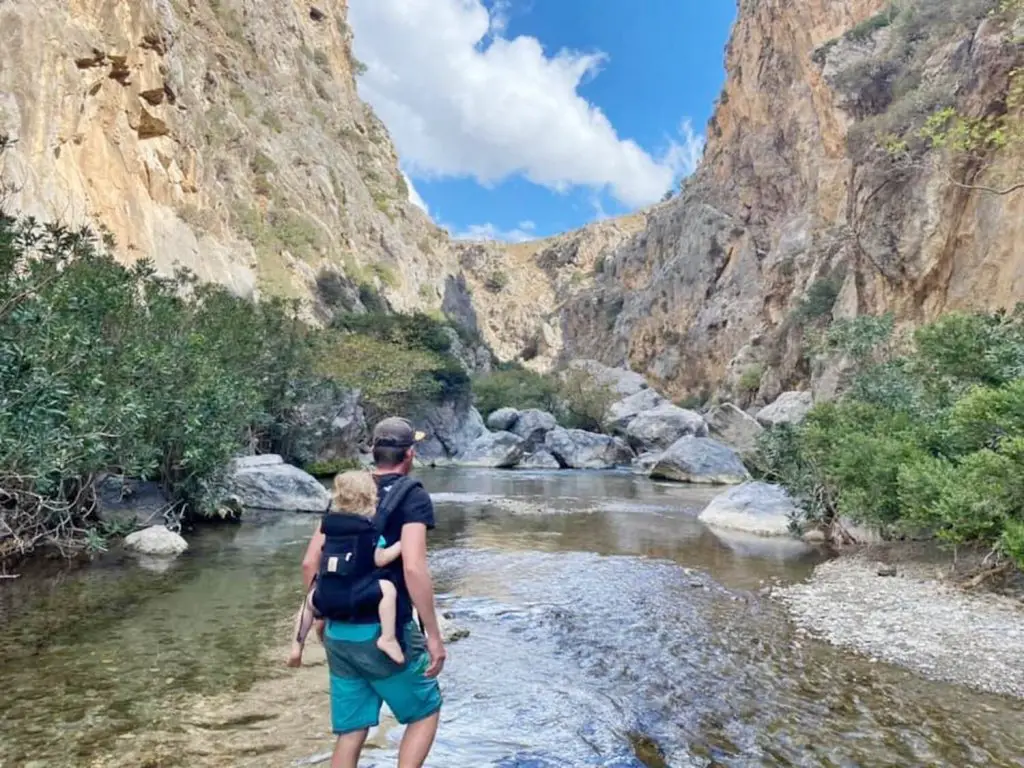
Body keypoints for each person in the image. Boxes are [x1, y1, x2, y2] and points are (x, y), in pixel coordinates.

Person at [300, 416, 446, 768]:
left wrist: (322, 613)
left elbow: (310, 563)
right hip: (382, 630)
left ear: (374, 452)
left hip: (338, 632)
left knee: (351, 731)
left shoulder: (347, 495)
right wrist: (434, 637)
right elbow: (412, 567)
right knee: (425, 711)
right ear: (409, 454)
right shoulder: (412, 496)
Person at [288, 470, 406, 668]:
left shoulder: (330, 527)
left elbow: (311, 562)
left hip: (327, 595)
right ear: (371, 499)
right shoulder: (369, 530)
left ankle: (296, 646)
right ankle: (387, 638)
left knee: (309, 601)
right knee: (388, 589)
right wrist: (402, 544)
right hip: (356, 596)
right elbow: (380, 559)